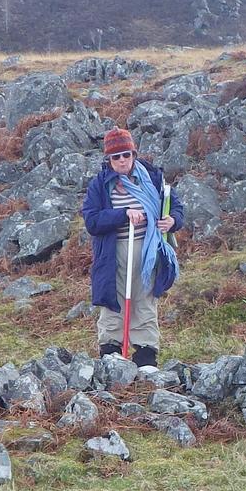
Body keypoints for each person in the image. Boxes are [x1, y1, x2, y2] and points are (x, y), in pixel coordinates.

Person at [81, 127, 185, 366]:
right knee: (112, 299)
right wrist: (123, 214)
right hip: (113, 252)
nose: (121, 160)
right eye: (115, 157)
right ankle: (111, 353)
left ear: (134, 154)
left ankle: (146, 356)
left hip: (148, 250)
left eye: (126, 154)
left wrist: (173, 221)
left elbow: (175, 206)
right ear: (108, 159)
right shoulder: (100, 185)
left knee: (145, 299)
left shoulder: (153, 178)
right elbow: (92, 221)